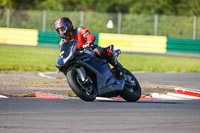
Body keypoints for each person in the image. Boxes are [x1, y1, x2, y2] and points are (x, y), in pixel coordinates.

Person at [54, 17, 124, 76]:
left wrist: (89, 42)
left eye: (62, 29)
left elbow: (89, 36)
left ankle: (118, 66)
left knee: (100, 51)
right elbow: (63, 54)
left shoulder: (79, 30)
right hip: (78, 57)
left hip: (89, 49)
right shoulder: (62, 43)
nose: (61, 32)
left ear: (69, 26)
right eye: (59, 31)